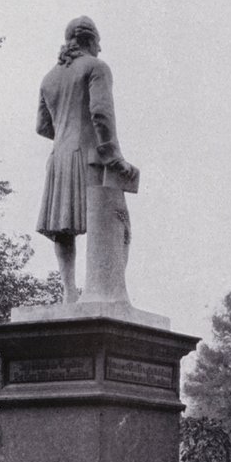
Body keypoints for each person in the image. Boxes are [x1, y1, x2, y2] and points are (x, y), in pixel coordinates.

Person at [36, 16, 138, 304]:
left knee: (63, 227)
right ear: (91, 40)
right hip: (92, 159)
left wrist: (67, 132)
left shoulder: (49, 78)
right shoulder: (97, 68)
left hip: (59, 159)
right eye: (99, 42)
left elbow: (42, 127)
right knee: (119, 224)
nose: (101, 48)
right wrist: (114, 156)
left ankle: (69, 293)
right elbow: (101, 115)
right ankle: (109, 293)